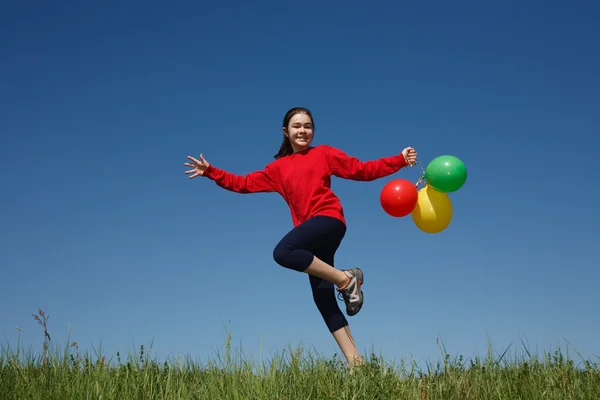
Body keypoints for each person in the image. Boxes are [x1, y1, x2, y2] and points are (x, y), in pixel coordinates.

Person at [184, 107, 417, 368]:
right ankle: (356, 362)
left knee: (283, 252)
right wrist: (211, 171)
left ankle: (346, 278)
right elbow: (243, 183)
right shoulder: (278, 168)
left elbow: (361, 170)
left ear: (313, 131)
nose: (303, 130)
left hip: (329, 221)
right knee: (322, 297)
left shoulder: (324, 153)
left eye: (308, 126)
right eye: (297, 126)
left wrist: (398, 160)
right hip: (311, 234)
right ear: (286, 132)